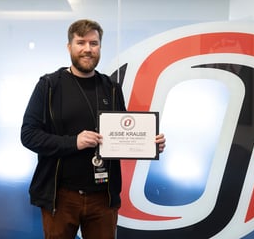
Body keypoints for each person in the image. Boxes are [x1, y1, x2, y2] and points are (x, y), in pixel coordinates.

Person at [20, 19, 166, 239]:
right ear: (69, 47)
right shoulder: (49, 86)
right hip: (60, 196)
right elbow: (28, 135)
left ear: (99, 47)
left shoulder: (112, 89)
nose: (87, 49)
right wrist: (73, 142)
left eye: (93, 43)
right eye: (81, 42)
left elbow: (125, 135)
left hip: (102, 197)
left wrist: (149, 144)